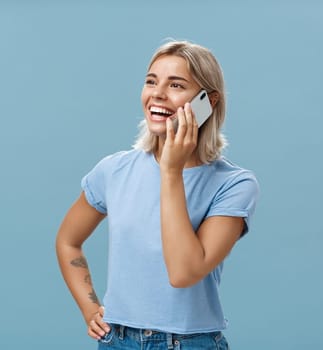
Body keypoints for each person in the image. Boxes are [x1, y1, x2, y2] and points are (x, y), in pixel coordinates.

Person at [55, 40, 259, 349]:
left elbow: (183, 272)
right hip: (117, 340)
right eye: (151, 82)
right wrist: (89, 308)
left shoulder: (234, 185)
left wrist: (171, 171)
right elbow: (68, 242)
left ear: (209, 101)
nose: (158, 94)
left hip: (189, 342)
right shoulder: (113, 170)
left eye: (176, 85)